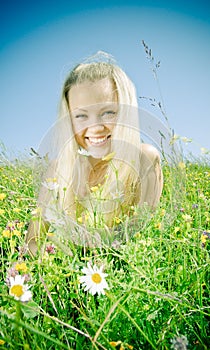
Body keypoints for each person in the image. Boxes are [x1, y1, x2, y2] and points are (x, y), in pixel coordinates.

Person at [27, 53, 163, 256]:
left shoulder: (144, 160)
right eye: (81, 116)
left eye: (108, 112)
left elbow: (144, 240)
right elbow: (33, 245)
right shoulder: (58, 170)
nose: (95, 127)